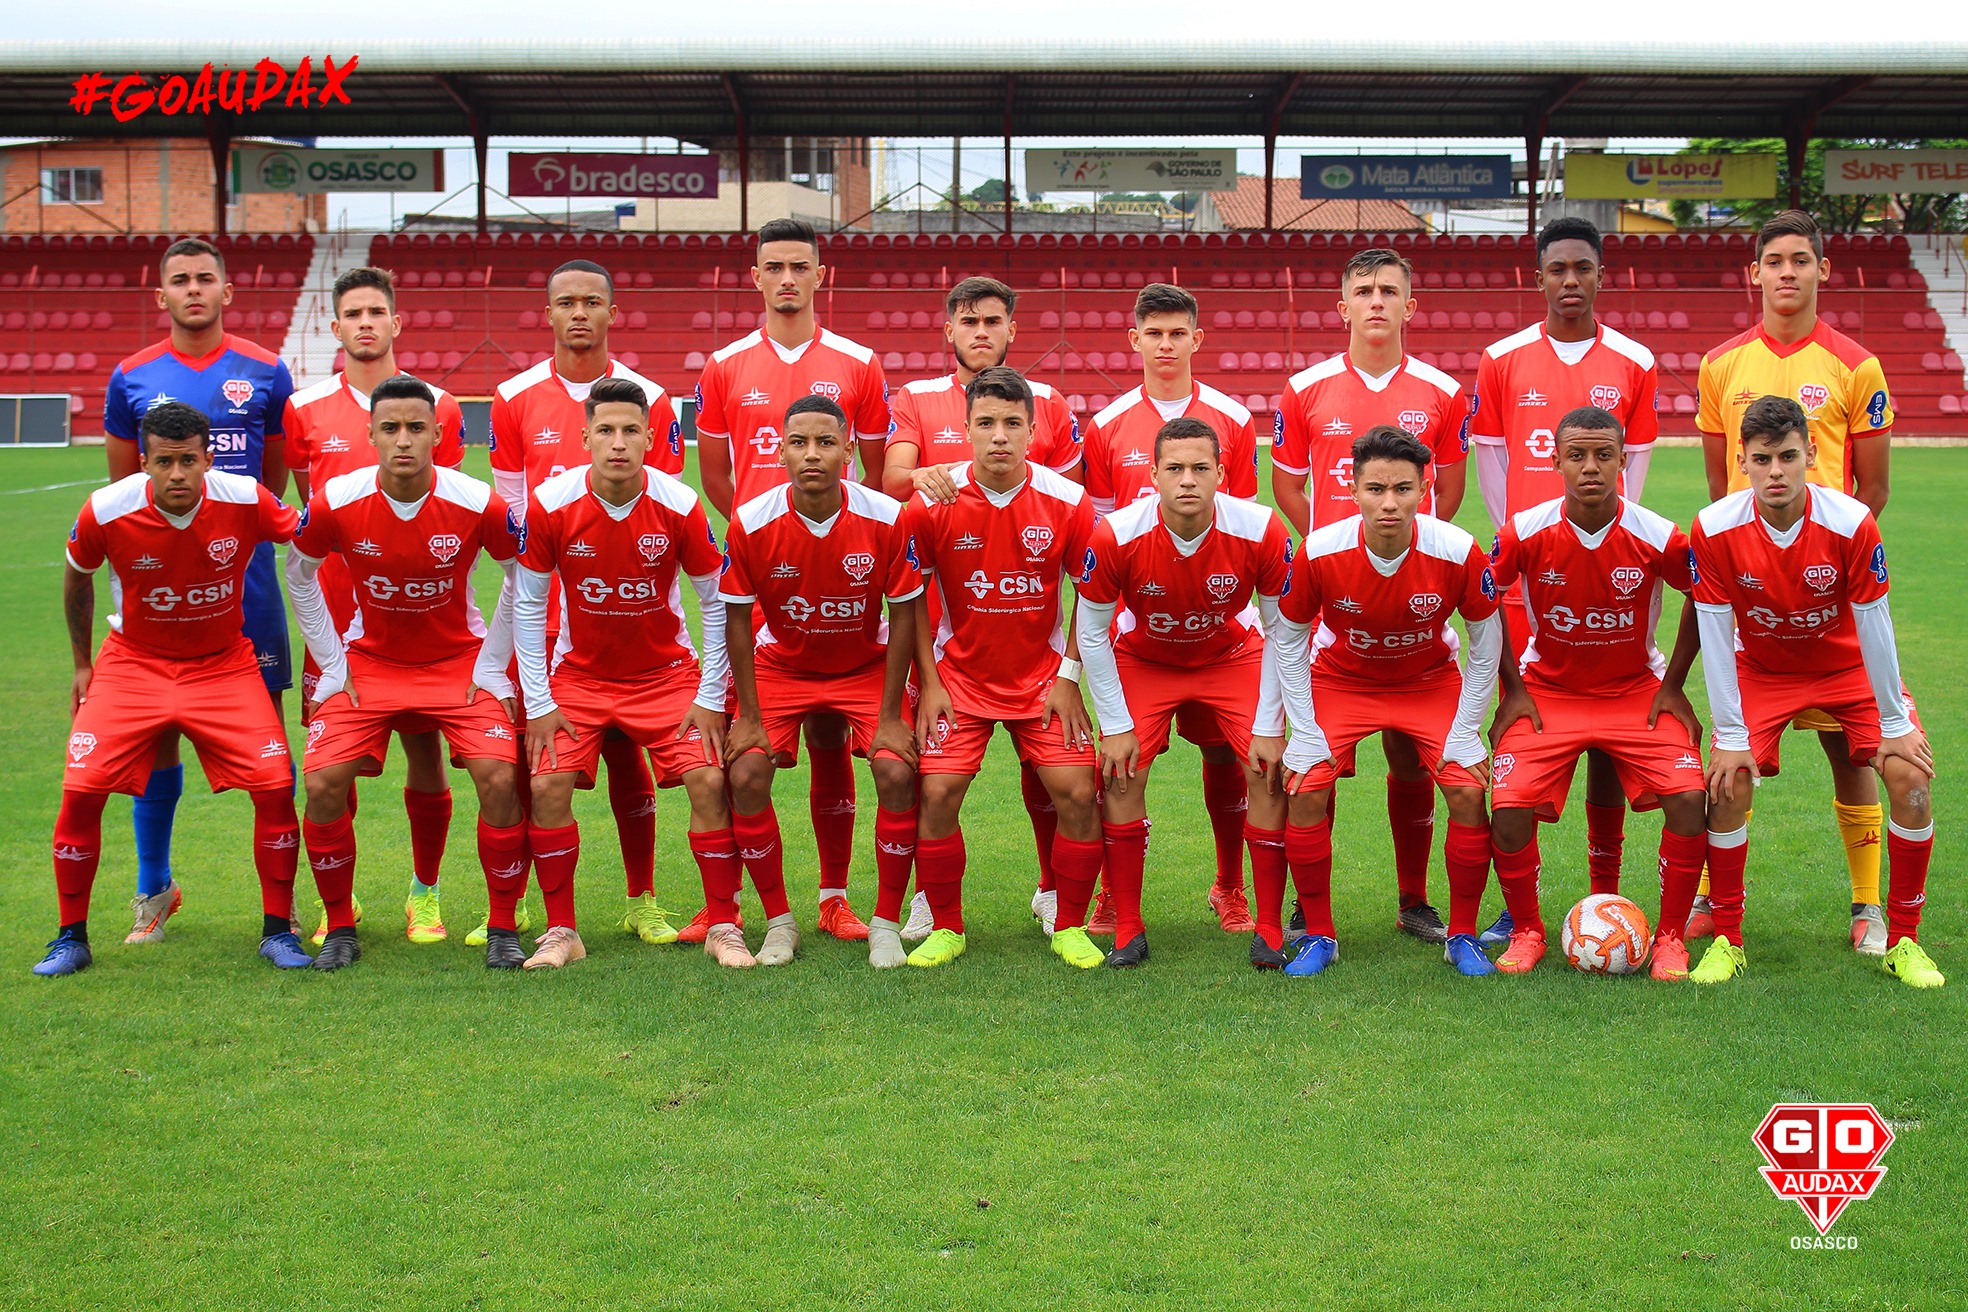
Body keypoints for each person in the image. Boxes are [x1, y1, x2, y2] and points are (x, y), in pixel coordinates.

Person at [36, 401, 308, 975]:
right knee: (81, 789)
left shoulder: (244, 497)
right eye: (165, 462)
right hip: (133, 664)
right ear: (144, 462)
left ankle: (278, 929)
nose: (178, 474)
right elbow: (77, 576)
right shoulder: (107, 510)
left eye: (189, 460)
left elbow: (311, 536)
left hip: (224, 665)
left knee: (276, 783)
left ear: (208, 458)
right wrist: (83, 664)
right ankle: (69, 937)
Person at [1689, 395, 1940, 989]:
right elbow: (1716, 635)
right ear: (1743, 463)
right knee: (1726, 782)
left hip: (1846, 667)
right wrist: (1728, 735)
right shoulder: (1714, 527)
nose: (1775, 471)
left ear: (1812, 454)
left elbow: (1875, 625)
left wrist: (1894, 723)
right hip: (1763, 669)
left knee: (1911, 780)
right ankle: (1728, 937)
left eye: (1787, 456)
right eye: (1761, 459)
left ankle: (1904, 941)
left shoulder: (1851, 522)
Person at [1696, 209, 1896, 954]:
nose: (1787, 272)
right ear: (1755, 273)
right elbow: (1724, 492)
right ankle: (1718, 903)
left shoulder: (1858, 365)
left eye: (1800, 259)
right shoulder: (1720, 365)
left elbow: (1870, 491)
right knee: (1732, 749)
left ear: (1823, 271)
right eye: (1773, 259)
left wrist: (1822, 567)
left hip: (1833, 592)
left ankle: (1867, 906)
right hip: (1755, 595)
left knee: (1854, 753)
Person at [693, 218, 893, 941]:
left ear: (819, 275)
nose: (785, 278)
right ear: (755, 276)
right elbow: (716, 477)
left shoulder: (858, 361)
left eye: (797, 266)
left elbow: (871, 469)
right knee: (738, 752)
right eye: (772, 266)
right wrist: (765, 538)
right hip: (762, 574)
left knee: (833, 740)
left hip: (837, 568)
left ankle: (834, 896)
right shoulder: (722, 366)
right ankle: (732, 901)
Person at [286, 375, 527, 972]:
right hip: (370, 664)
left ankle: (501, 925)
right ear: (369, 434)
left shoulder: (476, 501)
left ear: (439, 435)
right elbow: (300, 573)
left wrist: (492, 665)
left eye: (416, 428)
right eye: (390, 428)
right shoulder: (336, 499)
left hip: (457, 664)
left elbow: (523, 576)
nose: (403, 440)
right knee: (320, 783)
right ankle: (340, 924)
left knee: (499, 776)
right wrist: (334, 666)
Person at [1469, 218, 1661, 944]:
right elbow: (1491, 459)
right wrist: (1530, 539)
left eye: (1584, 267)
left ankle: (1604, 898)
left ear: (1601, 274)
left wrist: (1605, 544)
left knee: (1609, 737)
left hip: (1611, 572)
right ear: (1540, 277)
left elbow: (1633, 469)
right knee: (1525, 727)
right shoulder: (1502, 358)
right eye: (1558, 269)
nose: (1571, 280)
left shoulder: (1635, 361)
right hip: (1530, 572)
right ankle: (1517, 904)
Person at [1272, 246, 1472, 944]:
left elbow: (1448, 488)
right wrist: (1335, 552)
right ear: (1344, 306)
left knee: (1414, 757)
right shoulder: (1305, 388)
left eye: (1390, 289)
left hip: (1414, 591)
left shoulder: (1444, 392)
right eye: (1365, 289)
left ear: (1410, 306)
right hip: (1336, 597)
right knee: (1315, 758)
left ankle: (1415, 900)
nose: (1378, 300)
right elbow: (1289, 485)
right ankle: (1307, 909)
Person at [102, 237, 295, 944]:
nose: (193, 290)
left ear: (227, 291)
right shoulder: (131, 376)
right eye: (179, 280)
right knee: (157, 740)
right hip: (158, 593)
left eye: (204, 278)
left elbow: (270, 486)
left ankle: (281, 907)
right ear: (162, 296)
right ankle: (154, 888)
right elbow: (125, 491)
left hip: (246, 587)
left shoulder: (267, 371)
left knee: (269, 750)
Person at [488, 257, 684, 949]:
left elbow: (661, 506)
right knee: (529, 758)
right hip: (541, 609)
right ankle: (513, 909)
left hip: (621, 610)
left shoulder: (652, 399)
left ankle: (641, 899)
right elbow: (511, 509)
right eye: (565, 301)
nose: (579, 313)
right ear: (546, 312)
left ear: (611, 310)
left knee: (631, 751)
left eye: (591, 302)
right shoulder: (513, 397)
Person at [514, 378, 736, 969]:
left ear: (654, 437)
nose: (618, 443)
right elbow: (529, 604)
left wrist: (711, 695)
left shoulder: (679, 503)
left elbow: (715, 602)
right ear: (584, 436)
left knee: (711, 781)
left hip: (665, 677)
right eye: (606, 431)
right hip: (580, 679)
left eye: (631, 430)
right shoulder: (551, 503)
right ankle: (563, 931)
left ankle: (723, 925)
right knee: (544, 785)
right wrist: (538, 702)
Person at [886, 275, 1081, 940]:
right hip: (954, 631)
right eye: (968, 321)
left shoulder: (1051, 402)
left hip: (1033, 635)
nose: (980, 331)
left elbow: (1066, 509)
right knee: (931, 786)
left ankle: (1056, 894)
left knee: (1055, 778)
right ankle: (931, 903)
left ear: (1011, 330)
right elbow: (892, 480)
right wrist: (922, 477)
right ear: (949, 330)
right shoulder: (916, 399)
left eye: (993, 320)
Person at [1272, 426, 1504, 977]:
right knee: (1306, 786)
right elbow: (1287, 637)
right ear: (1352, 490)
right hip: (1342, 679)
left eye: (1403, 488)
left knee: (1468, 790)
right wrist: (1304, 731)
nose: (1389, 502)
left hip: (1427, 679)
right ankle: (1318, 934)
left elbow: (1485, 639)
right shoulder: (1321, 549)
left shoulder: (1454, 549)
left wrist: (1467, 726)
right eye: (1376, 489)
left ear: (1425, 490)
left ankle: (1462, 936)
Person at [1486, 406, 1707, 979]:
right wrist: (1511, 688)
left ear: (1623, 463)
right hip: (1549, 691)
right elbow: (1482, 601)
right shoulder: (1524, 530)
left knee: (1688, 798)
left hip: (1635, 690)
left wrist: (1676, 684)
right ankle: (1529, 930)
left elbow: (1706, 597)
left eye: (1604, 455)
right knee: (1507, 807)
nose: (1591, 467)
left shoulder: (1658, 534)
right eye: (1577, 455)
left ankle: (1670, 939)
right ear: (1555, 460)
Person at [284, 266, 467, 945]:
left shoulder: (439, 405)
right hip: (331, 611)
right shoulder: (303, 408)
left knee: (424, 749)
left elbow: (444, 494)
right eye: (352, 313)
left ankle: (425, 892)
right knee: (335, 755)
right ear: (334, 328)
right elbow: (296, 511)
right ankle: (344, 893)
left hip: (416, 613)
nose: (365, 323)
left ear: (397, 323)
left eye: (376, 312)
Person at [1072, 416, 1295, 970]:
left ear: (1224, 473)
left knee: (1268, 766)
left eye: (1200, 468)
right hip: (1146, 657)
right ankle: (1127, 923)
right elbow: (1092, 632)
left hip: (1230, 655)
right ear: (1153, 475)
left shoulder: (1262, 528)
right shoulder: (1116, 533)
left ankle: (1266, 924)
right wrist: (1117, 724)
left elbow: (1281, 631)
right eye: (1175, 468)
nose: (1188, 480)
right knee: (1121, 768)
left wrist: (1269, 725)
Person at [1080, 282, 1261, 936]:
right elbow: (1101, 536)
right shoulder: (1105, 427)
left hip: (1219, 633)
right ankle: (1111, 897)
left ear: (1196, 339)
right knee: (1120, 765)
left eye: (1176, 333)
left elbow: (1235, 526)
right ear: (1134, 340)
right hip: (1139, 633)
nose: (1164, 344)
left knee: (1229, 760)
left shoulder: (1234, 421)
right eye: (1152, 333)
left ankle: (1231, 888)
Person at [723, 396, 924, 968]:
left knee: (894, 766)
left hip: (863, 665)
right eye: (799, 443)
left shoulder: (887, 516)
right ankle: (779, 922)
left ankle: (885, 921)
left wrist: (889, 716)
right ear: (780, 450)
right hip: (783, 666)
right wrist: (751, 715)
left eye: (826, 442)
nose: (812, 455)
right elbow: (737, 619)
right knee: (747, 771)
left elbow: (905, 615)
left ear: (849, 451)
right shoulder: (752, 520)